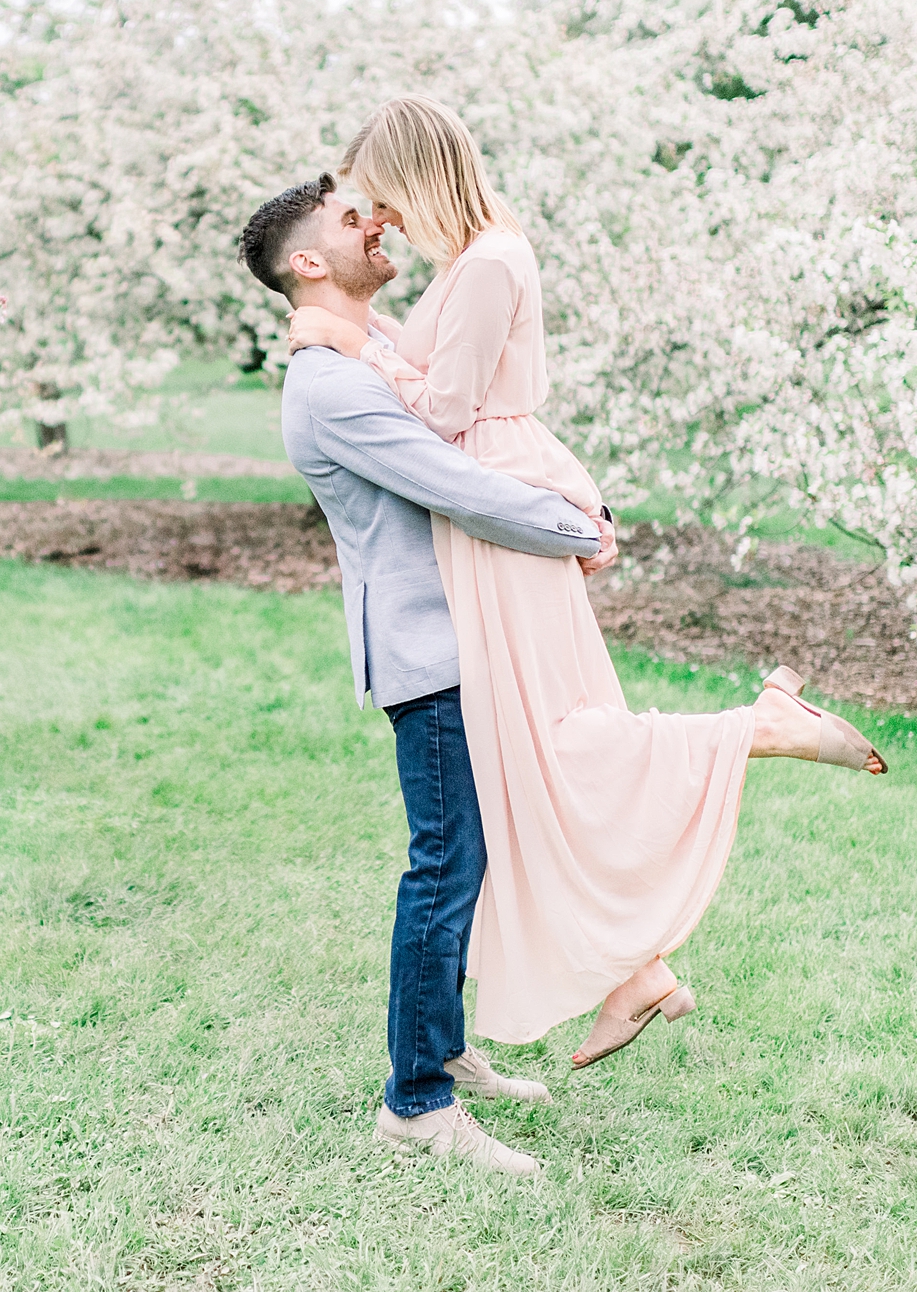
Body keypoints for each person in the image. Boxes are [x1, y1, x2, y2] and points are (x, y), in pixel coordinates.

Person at [286, 95, 887, 1076]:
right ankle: (636, 973)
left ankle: (760, 728)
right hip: (495, 493)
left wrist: (354, 345)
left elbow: (444, 413)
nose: (379, 218)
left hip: (493, 501)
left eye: (379, 196)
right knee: (534, 749)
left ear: (415, 171)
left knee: (552, 740)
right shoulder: (476, 259)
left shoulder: (486, 263)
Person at [243, 173, 603, 1178]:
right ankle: (416, 1104)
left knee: (465, 862)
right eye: (353, 222)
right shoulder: (331, 387)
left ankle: (440, 1049)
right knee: (444, 866)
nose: (379, 225)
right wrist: (580, 527)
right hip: (428, 651)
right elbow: (455, 485)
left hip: (458, 638)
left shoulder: (361, 352)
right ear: (308, 263)